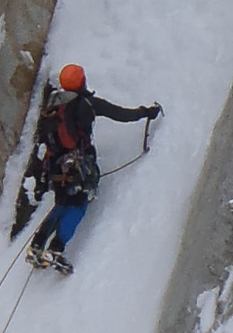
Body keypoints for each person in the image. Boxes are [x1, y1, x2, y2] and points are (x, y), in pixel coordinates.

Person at [10, 62, 160, 275]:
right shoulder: (86, 104)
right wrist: (147, 112)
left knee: (61, 203)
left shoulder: (53, 105)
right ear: (82, 82)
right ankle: (56, 249)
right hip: (78, 163)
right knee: (78, 204)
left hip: (55, 165)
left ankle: (37, 245)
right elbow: (120, 114)